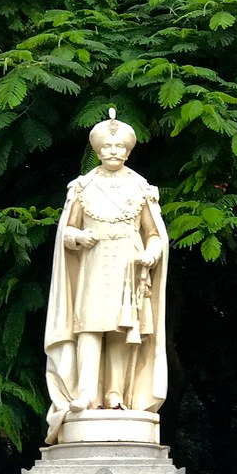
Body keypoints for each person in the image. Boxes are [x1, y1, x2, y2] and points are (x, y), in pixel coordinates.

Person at [44, 109, 168, 443]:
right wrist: (77, 237)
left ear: (128, 152)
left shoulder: (141, 188)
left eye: (119, 147)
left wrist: (151, 254)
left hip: (129, 266)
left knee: (121, 331)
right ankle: (85, 392)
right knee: (89, 327)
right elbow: (66, 230)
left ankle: (115, 394)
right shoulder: (82, 187)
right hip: (93, 265)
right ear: (98, 151)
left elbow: (154, 233)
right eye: (107, 147)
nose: (113, 151)